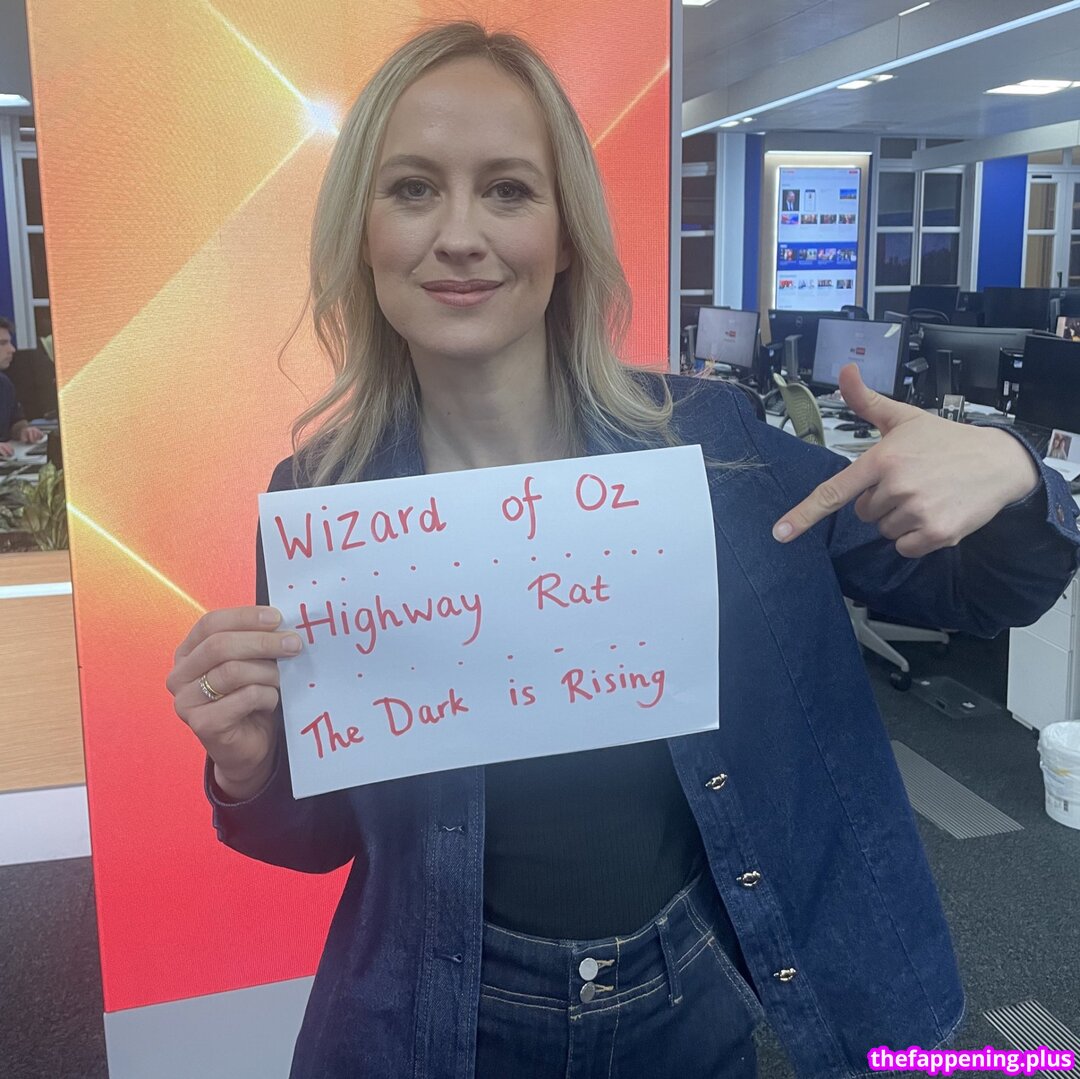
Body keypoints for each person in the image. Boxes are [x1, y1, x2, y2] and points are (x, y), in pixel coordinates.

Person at [166, 22, 1080, 1079]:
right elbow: (317, 835)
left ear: (565, 236)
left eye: (508, 190)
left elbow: (988, 591)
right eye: (412, 188)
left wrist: (1014, 469)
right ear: (360, 233)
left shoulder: (716, 449)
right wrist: (246, 766)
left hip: (687, 1005)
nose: (459, 235)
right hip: (440, 1016)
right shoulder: (323, 503)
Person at [0, 317, 46, 459]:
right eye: (2, 343)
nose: (12, 349)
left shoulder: (4, 384)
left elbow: (16, 421)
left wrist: (24, 430)